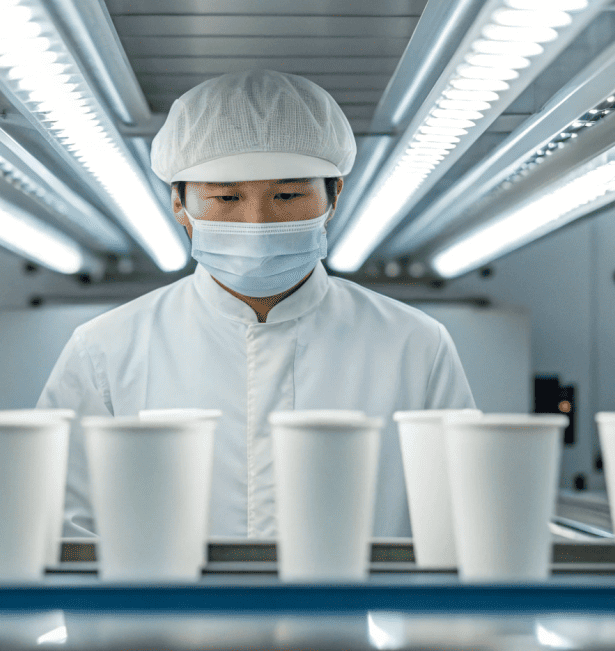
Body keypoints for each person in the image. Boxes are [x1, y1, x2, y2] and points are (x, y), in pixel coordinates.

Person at [39, 69, 475, 538]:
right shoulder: (103, 349)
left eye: (287, 195)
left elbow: (464, 524)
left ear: (334, 196)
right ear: (179, 204)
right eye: (226, 197)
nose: (258, 222)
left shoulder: (415, 344)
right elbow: (56, 531)